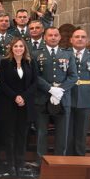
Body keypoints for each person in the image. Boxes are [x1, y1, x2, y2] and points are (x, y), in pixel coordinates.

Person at [33, 27, 78, 163]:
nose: (53, 37)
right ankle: (41, 162)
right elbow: (35, 76)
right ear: (45, 37)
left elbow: (73, 76)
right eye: (50, 35)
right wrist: (50, 89)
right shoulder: (36, 53)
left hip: (63, 99)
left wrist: (60, 90)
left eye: (55, 35)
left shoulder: (68, 54)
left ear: (59, 38)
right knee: (42, 132)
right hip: (42, 98)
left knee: (62, 133)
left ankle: (60, 162)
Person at [0, 38, 38, 176]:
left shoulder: (31, 62)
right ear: (11, 48)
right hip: (9, 103)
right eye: (16, 46)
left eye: (21, 46)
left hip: (25, 105)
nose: (18, 48)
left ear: (24, 48)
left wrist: (24, 97)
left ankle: (20, 163)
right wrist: (15, 96)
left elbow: (35, 82)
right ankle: (11, 164)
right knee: (10, 135)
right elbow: (2, 83)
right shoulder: (5, 63)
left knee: (22, 135)